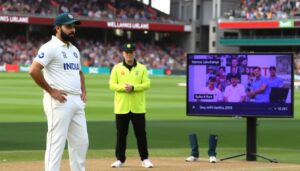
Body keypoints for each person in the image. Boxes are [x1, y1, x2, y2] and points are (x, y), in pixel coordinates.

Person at [28, 13, 89, 171]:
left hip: (76, 101)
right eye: (68, 26)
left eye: (74, 26)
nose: (72, 29)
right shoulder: (49, 47)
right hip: (59, 101)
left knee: (82, 142)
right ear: (57, 28)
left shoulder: (74, 49)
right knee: (56, 144)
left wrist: (84, 91)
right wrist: (51, 91)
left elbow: (79, 72)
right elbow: (33, 70)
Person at [109, 43, 153, 168]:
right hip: (121, 107)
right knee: (121, 134)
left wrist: (134, 87)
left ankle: (144, 158)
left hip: (138, 107)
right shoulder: (117, 68)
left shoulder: (142, 68)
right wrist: (124, 88)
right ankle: (120, 159)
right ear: (123, 54)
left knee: (141, 134)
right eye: (127, 52)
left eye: (131, 52)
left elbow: (147, 84)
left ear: (134, 53)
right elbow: (112, 85)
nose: (129, 54)